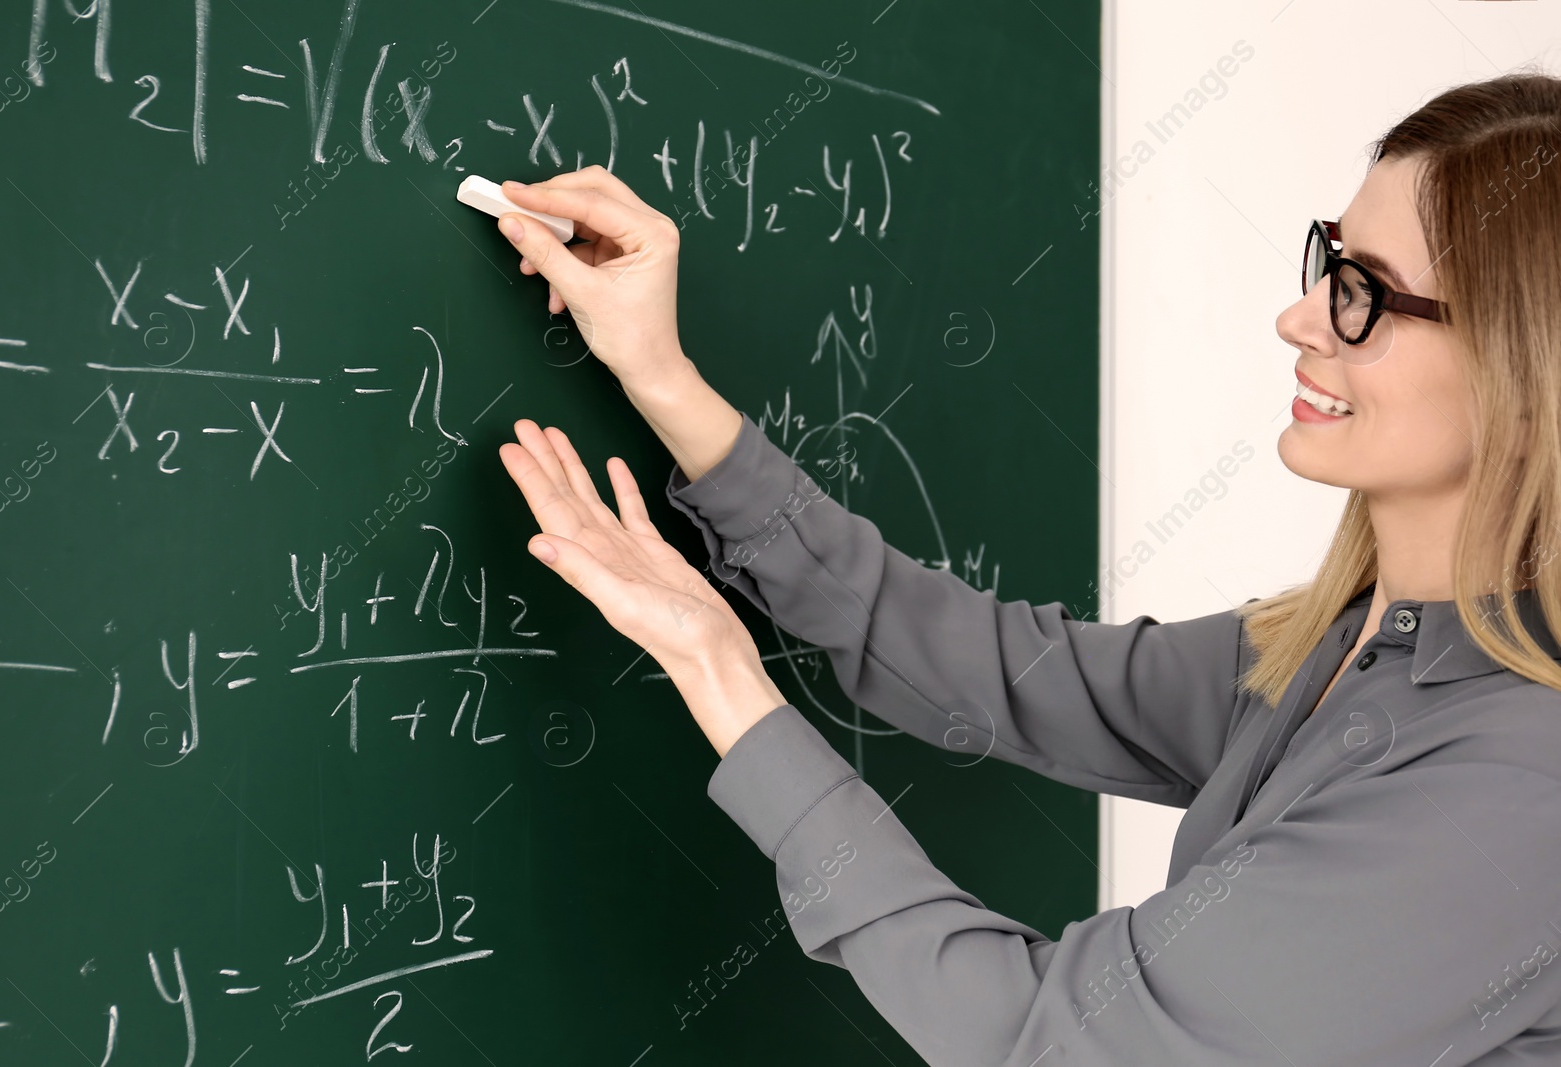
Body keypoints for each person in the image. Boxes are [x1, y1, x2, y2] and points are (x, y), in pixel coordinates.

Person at [492, 72, 1561, 1065]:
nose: (1300, 317)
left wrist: (723, 670)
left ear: (1520, 364)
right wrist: (664, 378)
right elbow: (999, 669)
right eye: (1328, 262)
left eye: (1363, 294)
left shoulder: (1517, 785)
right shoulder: (1350, 642)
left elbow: (1046, 1040)